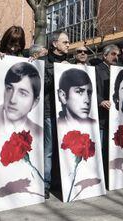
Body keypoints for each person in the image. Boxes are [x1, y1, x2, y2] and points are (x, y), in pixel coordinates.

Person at [41, 30, 69, 199]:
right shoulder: (43, 62)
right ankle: (45, 184)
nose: (68, 45)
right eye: (64, 42)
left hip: (66, 114)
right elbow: (42, 84)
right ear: (54, 44)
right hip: (49, 111)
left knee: (63, 148)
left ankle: (60, 182)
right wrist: (59, 70)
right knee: (49, 150)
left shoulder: (69, 62)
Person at [0, 62, 42, 137]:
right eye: (9, 88)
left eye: (23, 93)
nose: (12, 100)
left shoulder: (39, 134)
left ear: (35, 102)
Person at [96, 44, 120, 142]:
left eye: (117, 55)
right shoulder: (96, 69)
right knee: (101, 146)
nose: (116, 57)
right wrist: (101, 101)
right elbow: (90, 90)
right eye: (113, 54)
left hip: (116, 117)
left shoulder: (119, 71)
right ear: (105, 56)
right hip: (102, 116)